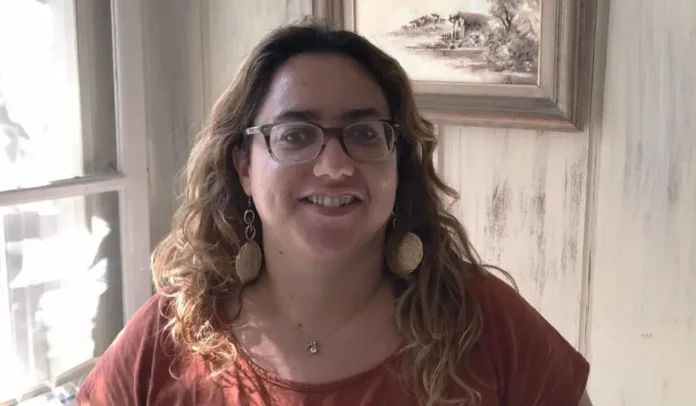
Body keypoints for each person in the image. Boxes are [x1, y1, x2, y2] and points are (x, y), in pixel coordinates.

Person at [77, 20, 592, 406]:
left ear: (398, 161)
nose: (334, 167)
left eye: (364, 133)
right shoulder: (168, 338)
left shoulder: (484, 322)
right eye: (295, 135)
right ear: (244, 167)